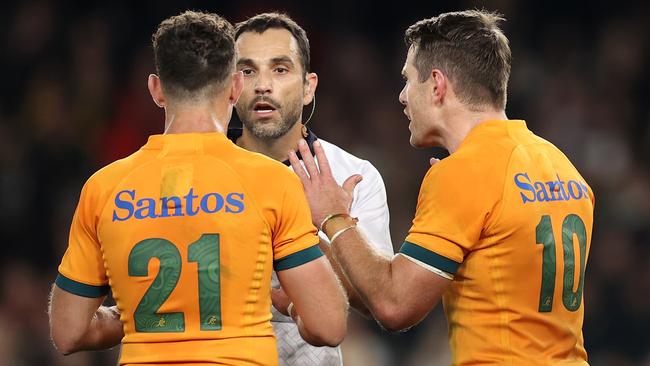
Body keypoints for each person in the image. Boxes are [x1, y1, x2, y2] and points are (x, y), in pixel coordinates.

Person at [290, 9, 594, 366]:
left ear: (436, 85)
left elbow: (394, 305)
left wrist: (333, 215)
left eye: (408, 80)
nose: (402, 96)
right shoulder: (563, 168)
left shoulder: (465, 174)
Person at [47, 11, 347, 366]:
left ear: (156, 90)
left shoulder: (105, 187)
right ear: (236, 87)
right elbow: (328, 325)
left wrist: (134, 318)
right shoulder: (272, 182)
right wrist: (291, 306)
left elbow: (67, 331)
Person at [231, 12, 393, 366]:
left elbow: (376, 302)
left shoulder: (354, 174)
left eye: (280, 69)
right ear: (230, 87)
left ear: (308, 87)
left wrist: (328, 222)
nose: (262, 84)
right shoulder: (202, 171)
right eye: (247, 70)